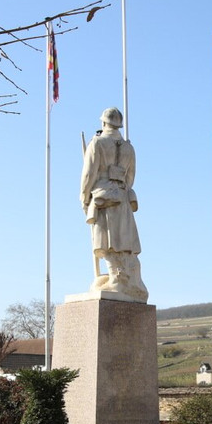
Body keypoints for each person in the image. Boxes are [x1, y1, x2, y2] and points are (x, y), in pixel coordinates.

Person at [80, 107, 147, 301]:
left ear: (103, 123)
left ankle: (117, 279)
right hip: (123, 195)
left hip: (102, 196)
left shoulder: (97, 143)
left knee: (107, 239)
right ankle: (117, 277)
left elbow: (88, 174)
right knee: (123, 239)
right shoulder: (129, 147)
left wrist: (84, 197)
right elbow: (131, 176)